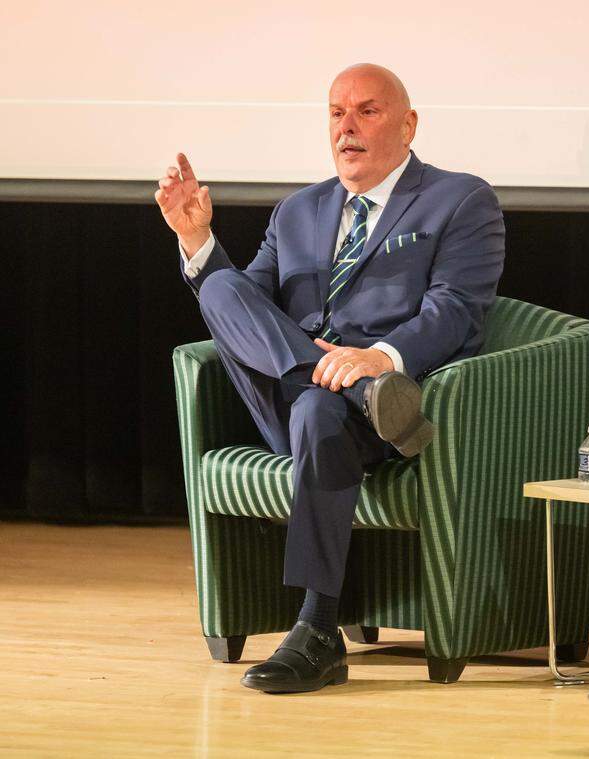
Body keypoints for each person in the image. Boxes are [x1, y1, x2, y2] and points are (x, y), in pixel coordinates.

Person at [155, 64, 505, 694]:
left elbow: (456, 307)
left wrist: (381, 359)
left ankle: (317, 630)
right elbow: (243, 308)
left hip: (364, 408)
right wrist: (199, 240)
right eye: (336, 113)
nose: (347, 127)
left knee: (319, 411)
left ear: (408, 124)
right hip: (306, 400)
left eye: (367, 111)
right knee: (224, 284)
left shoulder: (459, 198)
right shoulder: (298, 210)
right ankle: (360, 397)